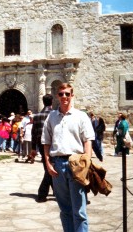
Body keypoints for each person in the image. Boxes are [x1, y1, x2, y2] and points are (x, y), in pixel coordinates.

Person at [42, 83, 94, 231]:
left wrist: (87, 163)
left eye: (67, 94)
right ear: (57, 96)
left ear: (72, 95)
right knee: (65, 209)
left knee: (79, 210)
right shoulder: (51, 117)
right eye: (61, 94)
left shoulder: (81, 116)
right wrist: (47, 163)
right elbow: (46, 142)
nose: (64, 97)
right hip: (58, 164)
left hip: (76, 163)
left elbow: (87, 141)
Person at [30, 94, 54, 203]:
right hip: (53, 144)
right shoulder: (54, 115)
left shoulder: (37, 116)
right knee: (50, 169)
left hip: (40, 144)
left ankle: (56, 190)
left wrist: (33, 148)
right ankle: (42, 193)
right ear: (52, 102)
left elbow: (33, 133)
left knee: (47, 168)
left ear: (43, 102)